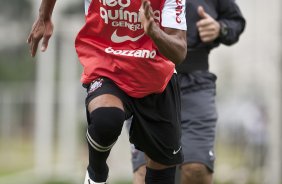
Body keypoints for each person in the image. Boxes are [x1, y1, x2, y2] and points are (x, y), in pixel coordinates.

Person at [27, 0, 187, 184]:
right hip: (106, 64)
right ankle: (96, 174)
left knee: (161, 175)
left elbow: (180, 52)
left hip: (156, 79)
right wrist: (44, 16)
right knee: (106, 118)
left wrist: (154, 32)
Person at [128, 0, 246, 183]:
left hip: (195, 82)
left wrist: (219, 28)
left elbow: (236, 21)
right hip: (146, 80)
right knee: (145, 172)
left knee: (196, 169)